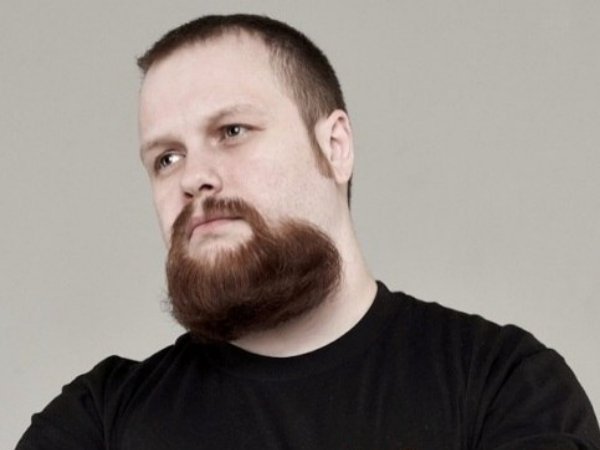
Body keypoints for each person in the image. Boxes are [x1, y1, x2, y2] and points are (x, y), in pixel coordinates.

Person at [17, 14, 600, 450]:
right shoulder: (99, 420)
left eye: (232, 131)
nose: (194, 177)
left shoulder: (503, 383)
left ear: (334, 146)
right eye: (166, 158)